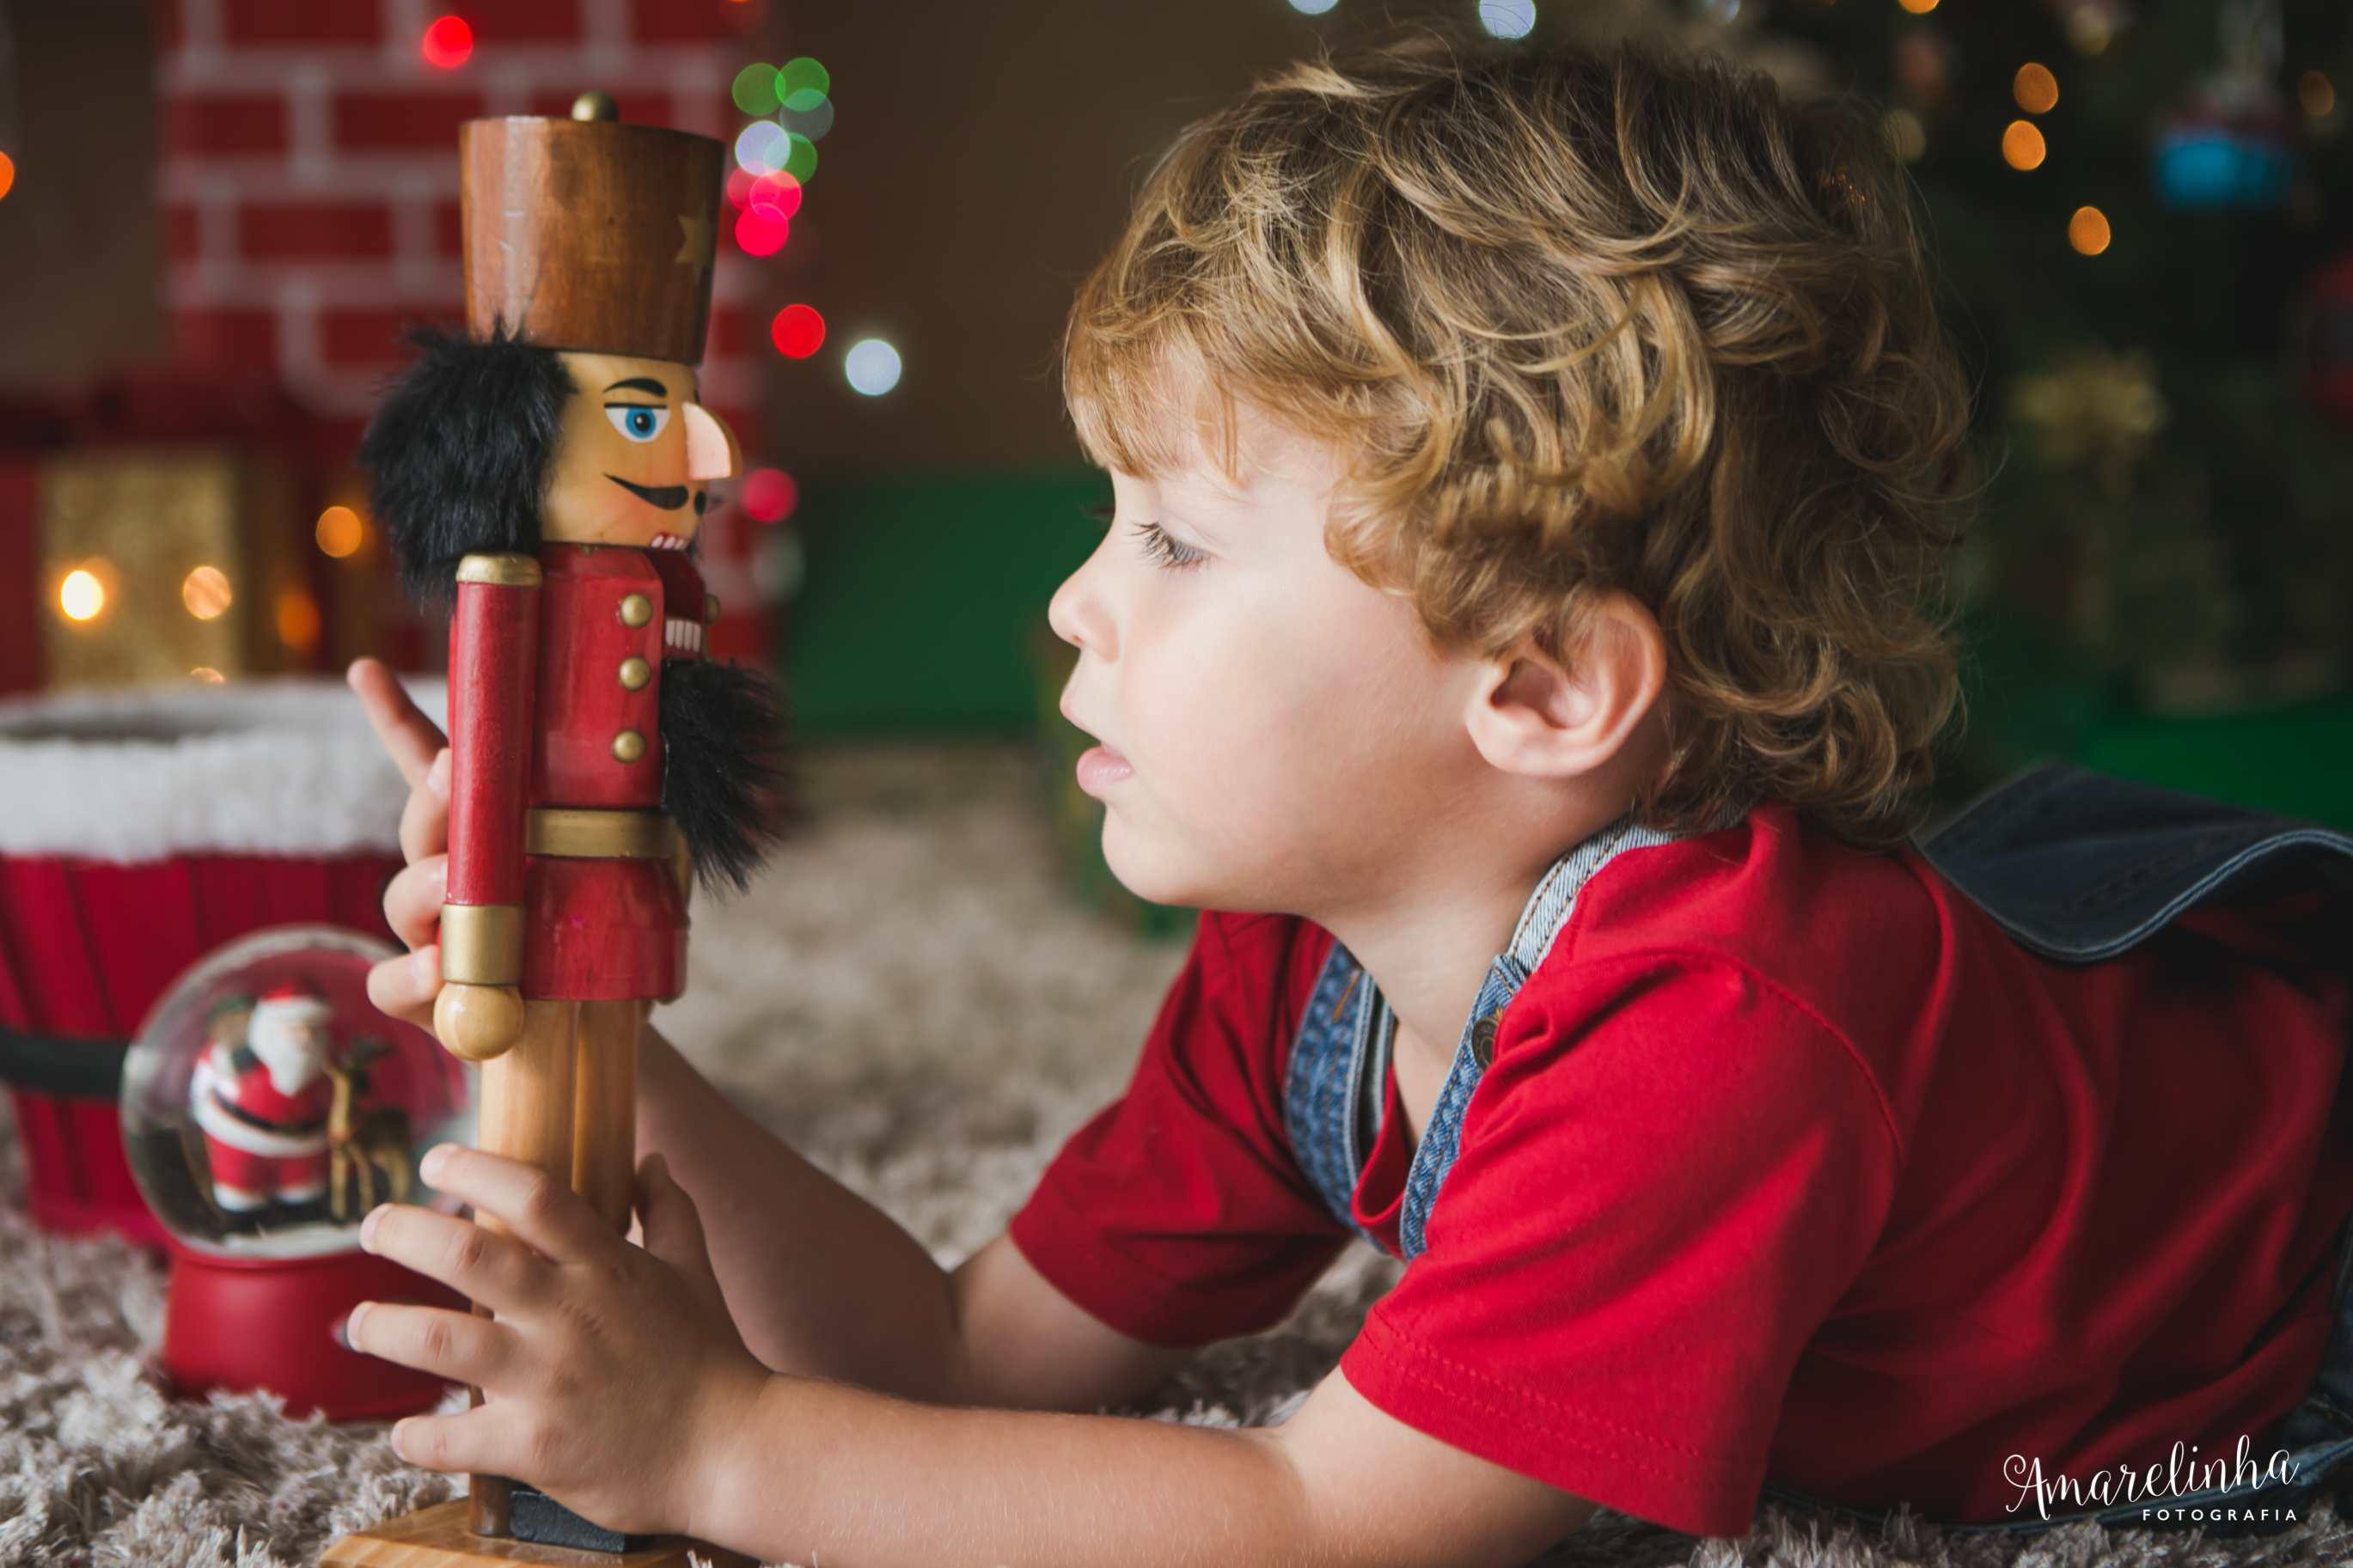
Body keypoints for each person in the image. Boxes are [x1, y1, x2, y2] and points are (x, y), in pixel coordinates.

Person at [339, 31, 2353, 1566]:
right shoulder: (1300, 967)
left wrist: (715, 1452)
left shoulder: (1719, 1030)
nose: (1069, 598)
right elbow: (959, 1357)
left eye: (1178, 544)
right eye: (1104, 518)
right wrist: (607, 1029)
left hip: (2284, 1316)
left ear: (1542, 684)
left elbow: (1315, 1522)